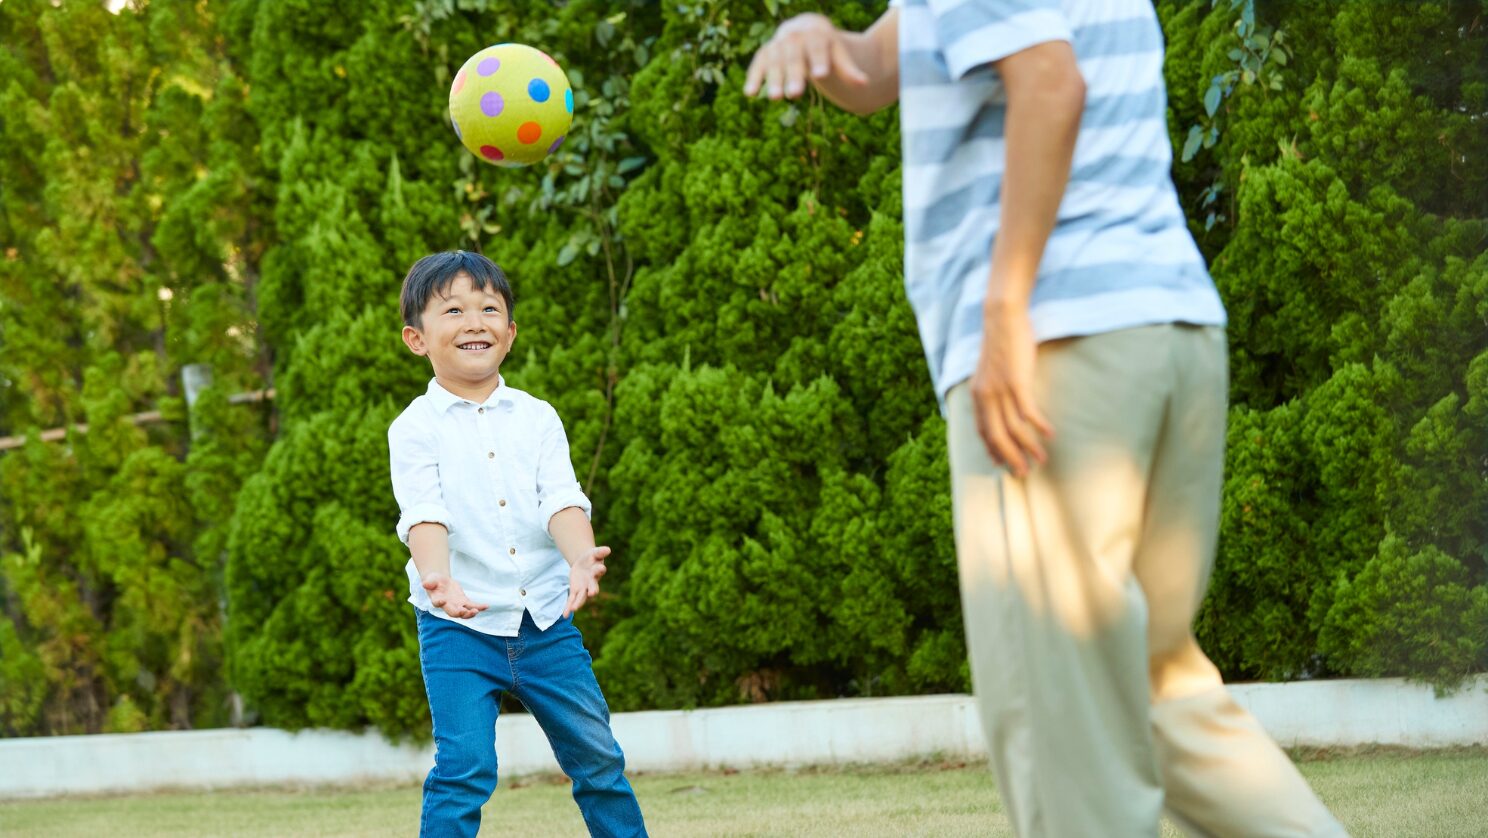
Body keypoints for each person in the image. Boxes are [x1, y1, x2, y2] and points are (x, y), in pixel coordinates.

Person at [746, 3, 1347, 835]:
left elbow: (1048, 81)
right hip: (1165, 330)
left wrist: (1005, 308)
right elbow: (880, 67)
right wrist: (821, 39)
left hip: (1060, 347)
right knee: (1159, 696)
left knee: (1066, 755)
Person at [388, 250, 648, 838]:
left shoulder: (537, 417)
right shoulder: (414, 427)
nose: (474, 320)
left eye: (489, 308)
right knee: (464, 768)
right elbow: (424, 513)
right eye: (452, 309)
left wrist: (581, 555)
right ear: (417, 339)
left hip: (546, 620)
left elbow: (560, 498)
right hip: (458, 626)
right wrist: (439, 578)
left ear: (509, 332)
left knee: (598, 758)